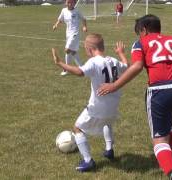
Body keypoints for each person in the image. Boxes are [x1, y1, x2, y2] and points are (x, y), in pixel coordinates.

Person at [97, 14, 172, 180]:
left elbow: (137, 66)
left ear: (144, 30)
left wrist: (114, 85)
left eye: (138, 32)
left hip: (160, 90)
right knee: (168, 123)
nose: (138, 36)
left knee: (159, 139)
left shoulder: (141, 43)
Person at [51, 33, 128, 172]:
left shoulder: (93, 62)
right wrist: (121, 53)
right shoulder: (113, 60)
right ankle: (109, 150)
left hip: (98, 107)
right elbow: (126, 66)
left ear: (89, 49)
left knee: (77, 128)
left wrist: (60, 63)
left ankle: (88, 161)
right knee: (107, 123)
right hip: (113, 106)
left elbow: (80, 72)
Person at [53, 0, 87, 76]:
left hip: (75, 34)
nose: (70, 4)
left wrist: (84, 26)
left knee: (67, 49)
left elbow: (83, 19)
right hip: (68, 34)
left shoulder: (77, 11)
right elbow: (60, 20)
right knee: (73, 52)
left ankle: (66, 69)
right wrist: (56, 25)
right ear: (66, 3)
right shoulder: (64, 10)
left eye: (72, 2)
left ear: (74, 3)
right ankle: (82, 67)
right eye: (68, 2)